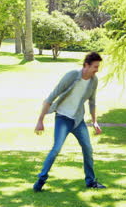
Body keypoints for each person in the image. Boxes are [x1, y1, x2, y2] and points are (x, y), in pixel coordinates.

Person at [33, 52, 106, 192]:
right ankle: (41, 180)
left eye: (98, 67)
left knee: (88, 149)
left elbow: (92, 102)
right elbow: (51, 97)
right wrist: (40, 120)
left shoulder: (93, 81)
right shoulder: (72, 75)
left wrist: (95, 121)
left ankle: (90, 182)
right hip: (63, 118)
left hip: (78, 120)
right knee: (56, 149)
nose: (97, 70)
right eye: (95, 67)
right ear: (86, 65)